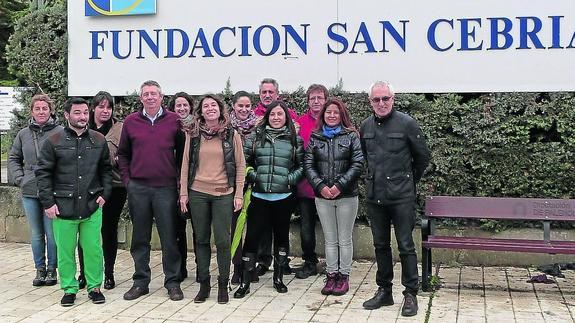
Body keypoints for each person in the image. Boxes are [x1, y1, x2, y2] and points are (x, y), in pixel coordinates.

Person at [360, 81, 430, 317]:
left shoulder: (407, 123)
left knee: (405, 245)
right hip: (374, 196)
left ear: (393, 98)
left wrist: (407, 181)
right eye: (376, 100)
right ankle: (385, 290)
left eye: (385, 99)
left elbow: (422, 157)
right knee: (380, 245)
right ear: (370, 102)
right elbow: (366, 158)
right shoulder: (366, 126)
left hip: (401, 197)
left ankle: (410, 292)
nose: (381, 103)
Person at [35, 97, 112, 307]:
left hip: (91, 205)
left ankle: (95, 287)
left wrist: (105, 194)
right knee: (65, 251)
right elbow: (43, 174)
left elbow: (106, 170)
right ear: (67, 115)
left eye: (85, 112)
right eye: (77, 113)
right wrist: (48, 203)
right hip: (62, 207)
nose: (82, 116)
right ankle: (69, 289)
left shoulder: (98, 140)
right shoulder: (53, 141)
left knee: (93, 249)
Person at [117, 80, 185, 301]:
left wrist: (178, 183)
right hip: (139, 188)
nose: (150, 97)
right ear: (140, 98)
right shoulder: (131, 122)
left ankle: (173, 282)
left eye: (153, 93)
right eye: (146, 94)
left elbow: (183, 154)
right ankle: (140, 282)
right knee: (140, 237)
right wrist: (128, 180)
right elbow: (123, 154)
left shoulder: (175, 121)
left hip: (166, 188)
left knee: (169, 237)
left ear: (161, 97)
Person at [179, 94, 246, 304]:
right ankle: (204, 284)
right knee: (200, 239)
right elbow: (185, 164)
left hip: (223, 194)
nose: (210, 108)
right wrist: (183, 193)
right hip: (197, 192)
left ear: (220, 109)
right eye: (206, 106)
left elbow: (240, 164)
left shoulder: (231, 134)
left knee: (223, 240)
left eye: (213, 105)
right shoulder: (193, 134)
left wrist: (238, 193)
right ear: (201, 111)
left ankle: (223, 284)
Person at [234, 101, 303, 298]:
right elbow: (244, 162)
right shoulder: (255, 137)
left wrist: (289, 180)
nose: (276, 118)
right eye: (272, 114)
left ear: (286, 117)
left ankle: (278, 278)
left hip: (283, 197)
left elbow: (301, 166)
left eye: (280, 114)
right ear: (267, 117)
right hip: (258, 196)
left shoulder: (294, 139)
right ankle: (245, 282)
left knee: (281, 238)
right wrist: (254, 176)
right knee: (252, 238)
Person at [304, 98, 364, 296]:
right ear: (323, 115)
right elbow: (308, 165)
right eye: (328, 112)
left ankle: (343, 276)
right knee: (330, 240)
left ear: (341, 115)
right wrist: (320, 186)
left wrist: (339, 186)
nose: (331, 115)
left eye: (335, 112)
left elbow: (357, 164)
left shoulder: (351, 136)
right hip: (323, 197)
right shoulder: (316, 136)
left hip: (346, 195)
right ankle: (331, 275)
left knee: (344, 239)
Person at [8, 94, 63, 287]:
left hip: (52, 189)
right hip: (30, 189)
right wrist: (20, 179)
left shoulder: (60, 132)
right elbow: (13, 157)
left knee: (52, 233)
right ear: (31, 111)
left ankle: (52, 269)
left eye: (45, 108)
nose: (41, 112)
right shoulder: (23, 134)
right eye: (37, 108)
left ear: (51, 110)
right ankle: (39, 269)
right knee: (36, 233)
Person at [77, 91, 127, 290]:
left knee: (108, 231)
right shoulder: (82, 126)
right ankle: (84, 273)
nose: (105, 111)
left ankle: (108, 274)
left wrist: (119, 160)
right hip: (87, 187)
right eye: (101, 107)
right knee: (85, 232)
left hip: (114, 187)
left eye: (109, 107)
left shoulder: (120, 129)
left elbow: (128, 153)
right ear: (93, 108)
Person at [252, 78, 298, 276]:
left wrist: (289, 178)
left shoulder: (290, 116)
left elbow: (298, 153)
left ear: (277, 94)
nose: (267, 95)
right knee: (261, 228)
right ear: (260, 94)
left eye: (271, 92)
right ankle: (263, 261)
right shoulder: (253, 117)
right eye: (264, 92)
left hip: (283, 185)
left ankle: (282, 262)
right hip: (261, 185)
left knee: (281, 227)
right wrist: (255, 176)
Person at [294, 84, 328, 279]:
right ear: (307, 102)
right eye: (312, 98)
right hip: (306, 187)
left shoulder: (333, 119)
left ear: (326, 100)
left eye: (320, 98)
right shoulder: (300, 123)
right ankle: (309, 262)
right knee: (306, 228)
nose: (316, 101)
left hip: (329, 187)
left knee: (332, 228)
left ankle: (336, 263)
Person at [228, 90, 260, 284]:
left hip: (255, 183)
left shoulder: (259, 127)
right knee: (235, 228)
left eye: (247, 106)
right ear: (233, 106)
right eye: (240, 105)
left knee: (254, 228)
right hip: (233, 184)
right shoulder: (226, 127)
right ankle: (237, 267)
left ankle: (251, 265)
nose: (244, 109)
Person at [168, 92, 194, 281]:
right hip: (174, 183)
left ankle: (203, 270)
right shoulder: (168, 127)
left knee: (200, 229)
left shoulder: (199, 127)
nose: (182, 109)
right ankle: (181, 268)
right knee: (177, 229)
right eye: (178, 106)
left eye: (185, 105)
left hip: (197, 183)